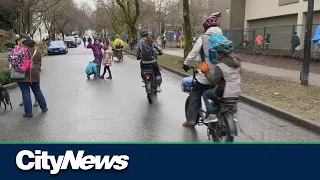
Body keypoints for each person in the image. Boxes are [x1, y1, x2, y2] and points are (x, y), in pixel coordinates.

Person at [181, 14, 223, 127]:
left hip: (206, 75)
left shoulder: (203, 38)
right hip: (222, 75)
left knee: (195, 93)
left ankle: (191, 119)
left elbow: (193, 54)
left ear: (206, 28)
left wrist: (186, 64)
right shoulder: (224, 38)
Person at [200, 40, 241, 124]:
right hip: (236, 90)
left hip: (224, 92)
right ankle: (234, 112)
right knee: (232, 96)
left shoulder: (220, 66)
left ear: (221, 54)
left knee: (206, 94)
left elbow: (213, 81)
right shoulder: (237, 63)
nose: (216, 55)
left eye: (217, 53)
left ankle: (212, 114)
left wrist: (206, 72)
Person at [12, 35, 48, 117]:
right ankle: (44, 108)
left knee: (25, 93)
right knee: (37, 90)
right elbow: (39, 60)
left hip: (22, 74)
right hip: (34, 73)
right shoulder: (36, 49)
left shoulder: (19, 49)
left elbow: (11, 59)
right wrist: (37, 68)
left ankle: (28, 113)